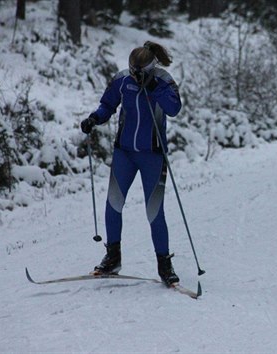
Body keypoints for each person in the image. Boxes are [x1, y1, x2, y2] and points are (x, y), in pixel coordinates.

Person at [80, 41, 182, 286]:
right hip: (124, 153)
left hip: (153, 155)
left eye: (141, 72)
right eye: (133, 70)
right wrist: (94, 118)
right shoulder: (122, 80)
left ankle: (164, 265)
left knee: (154, 211)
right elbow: (108, 105)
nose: (136, 75)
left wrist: (155, 88)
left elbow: (174, 109)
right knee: (113, 204)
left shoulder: (164, 81)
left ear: (150, 67)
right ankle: (112, 257)